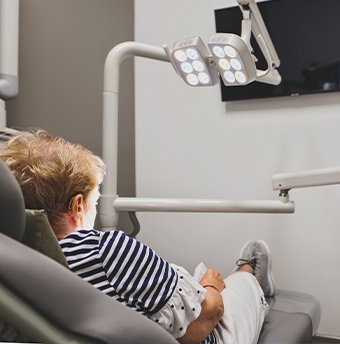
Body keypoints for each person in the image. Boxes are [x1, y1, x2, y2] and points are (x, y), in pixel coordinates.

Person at [0, 130, 275, 344]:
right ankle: (252, 274)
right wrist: (211, 288)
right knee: (236, 289)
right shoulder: (106, 250)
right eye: (95, 203)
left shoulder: (13, 267)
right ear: (78, 206)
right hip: (202, 337)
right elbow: (198, 328)